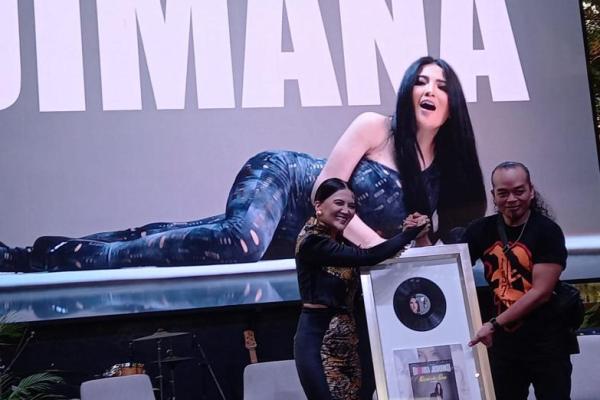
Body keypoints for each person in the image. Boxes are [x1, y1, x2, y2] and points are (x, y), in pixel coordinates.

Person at [0, 56, 485, 272]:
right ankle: (56, 259)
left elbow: (423, 239)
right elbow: (326, 188)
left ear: (453, 105)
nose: (429, 90)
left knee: (205, 236)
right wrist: (379, 249)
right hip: (284, 183)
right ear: (407, 92)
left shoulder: (441, 173)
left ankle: (61, 248)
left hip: (301, 237)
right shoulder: (375, 126)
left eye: (441, 86)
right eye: (421, 81)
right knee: (240, 241)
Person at [293, 178, 428, 400]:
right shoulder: (312, 241)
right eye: (339, 203)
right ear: (319, 205)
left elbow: (374, 259)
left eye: (351, 206)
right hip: (319, 346)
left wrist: (408, 233)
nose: (346, 211)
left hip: (349, 344)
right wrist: (409, 234)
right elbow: (368, 256)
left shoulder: (337, 242)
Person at [465, 161, 572, 400]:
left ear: (531, 191)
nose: (512, 199)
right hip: (503, 347)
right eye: (503, 193)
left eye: (519, 191)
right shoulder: (480, 230)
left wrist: (493, 324)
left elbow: (540, 293)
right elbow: (449, 265)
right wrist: (421, 236)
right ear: (494, 195)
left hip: (547, 343)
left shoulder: (547, 231)